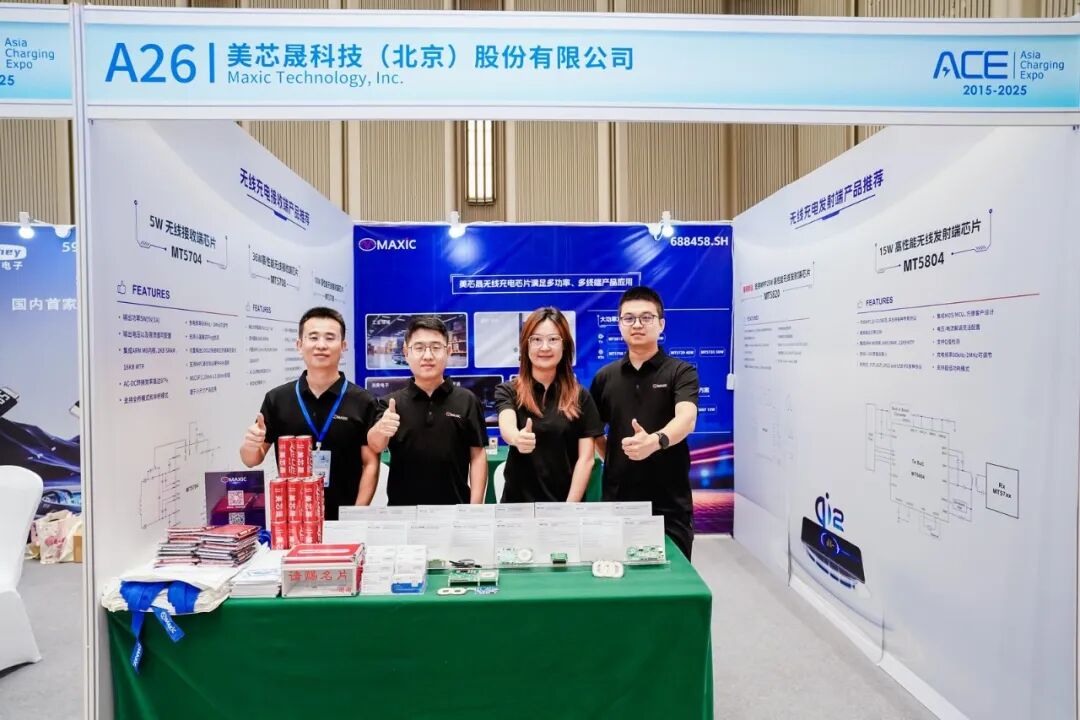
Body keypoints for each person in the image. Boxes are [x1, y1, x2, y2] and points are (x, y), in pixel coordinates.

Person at [240, 307, 380, 520]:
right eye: (313, 337)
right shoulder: (277, 399)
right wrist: (250, 446)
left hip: (345, 518)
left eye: (330, 338)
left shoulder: (362, 400)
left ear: (343, 346)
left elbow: (370, 463)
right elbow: (252, 459)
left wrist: (356, 515)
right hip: (294, 521)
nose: (321, 345)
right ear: (299, 345)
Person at [590, 287, 699, 559]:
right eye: (629, 318)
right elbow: (594, 432)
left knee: (672, 577)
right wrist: (616, 457)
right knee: (617, 575)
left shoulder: (681, 372)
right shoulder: (605, 377)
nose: (637, 324)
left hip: (669, 503)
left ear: (661, 324)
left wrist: (655, 441)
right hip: (618, 502)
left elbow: (686, 418)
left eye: (646, 317)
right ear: (619, 324)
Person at [367, 316, 488, 505]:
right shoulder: (391, 403)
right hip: (403, 512)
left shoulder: (468, 400)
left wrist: (475, 507)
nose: (428, 356)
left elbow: (478, 455)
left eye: (436, 347)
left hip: (455, 509)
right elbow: (375, 446)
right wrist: (381, 428)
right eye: (419, 348)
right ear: (406, 353)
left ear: (448, 351)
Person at [496, 307, 603, 503]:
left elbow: (586, 459)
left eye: (553, 339)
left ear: (565, 345)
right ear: (526, 345)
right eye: (536, 339)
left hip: (565, 507)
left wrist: (569, 507)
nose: (544, 347)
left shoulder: (580, 396)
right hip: (517, 507)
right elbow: (507, 427)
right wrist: (517, 438)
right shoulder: (509, 390)